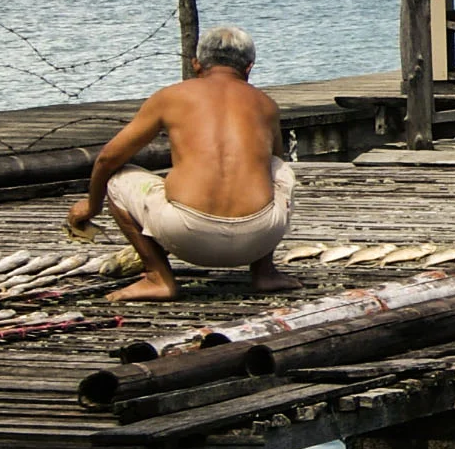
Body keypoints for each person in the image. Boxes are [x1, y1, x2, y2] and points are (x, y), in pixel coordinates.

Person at [67, 26, 303, 302]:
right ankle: (264, 272)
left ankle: (158, 278)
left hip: (188, 234)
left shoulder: (171, 97)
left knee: (118, 178)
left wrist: (91, 206)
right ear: (249, 67)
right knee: (279, 169)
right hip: (258, 234)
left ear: (196, 64)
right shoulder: (267, 105)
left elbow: (107, 158)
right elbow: (270, 165)